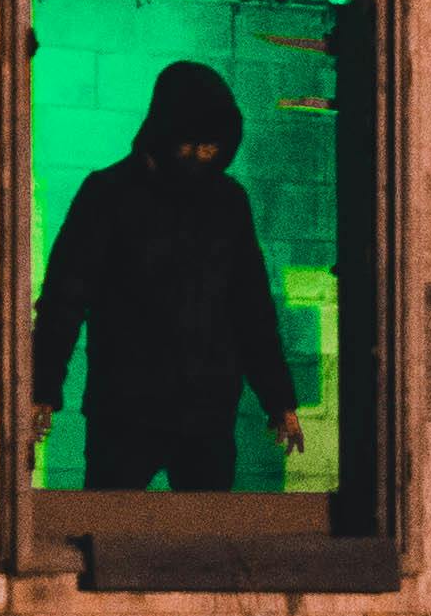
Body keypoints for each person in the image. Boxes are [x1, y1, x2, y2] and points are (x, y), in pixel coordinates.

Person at [31, 59, 303, 489]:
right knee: (115, 540)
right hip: (126, 413)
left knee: (205, 548)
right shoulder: (108, 195)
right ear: (164, 133)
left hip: (204, 416)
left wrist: (279, 400)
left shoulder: (228, 203)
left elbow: (250, 307)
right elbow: (64, 300)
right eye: (191, 142)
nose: (201, 154)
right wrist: (41, 387)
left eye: (211, 144)